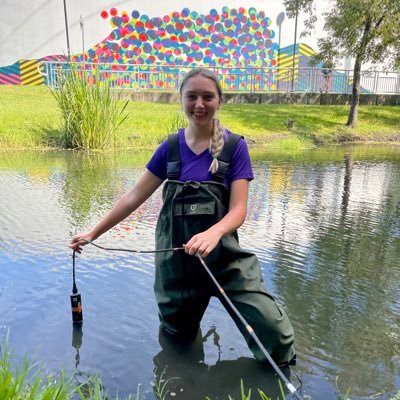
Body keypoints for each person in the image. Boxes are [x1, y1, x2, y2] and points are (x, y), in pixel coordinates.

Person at [69, 67, 296, 367]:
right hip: (176, 268)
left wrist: (213, 233)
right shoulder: (170, 149)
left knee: (275, 335)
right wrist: (93, 233)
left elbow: (239, 210)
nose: (199, 104)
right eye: (192, 97)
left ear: (219, 101)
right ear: (182, 100)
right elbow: (133, 196)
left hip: (225, 262)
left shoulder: (234, 147)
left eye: (207, 97)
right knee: (176, 343)